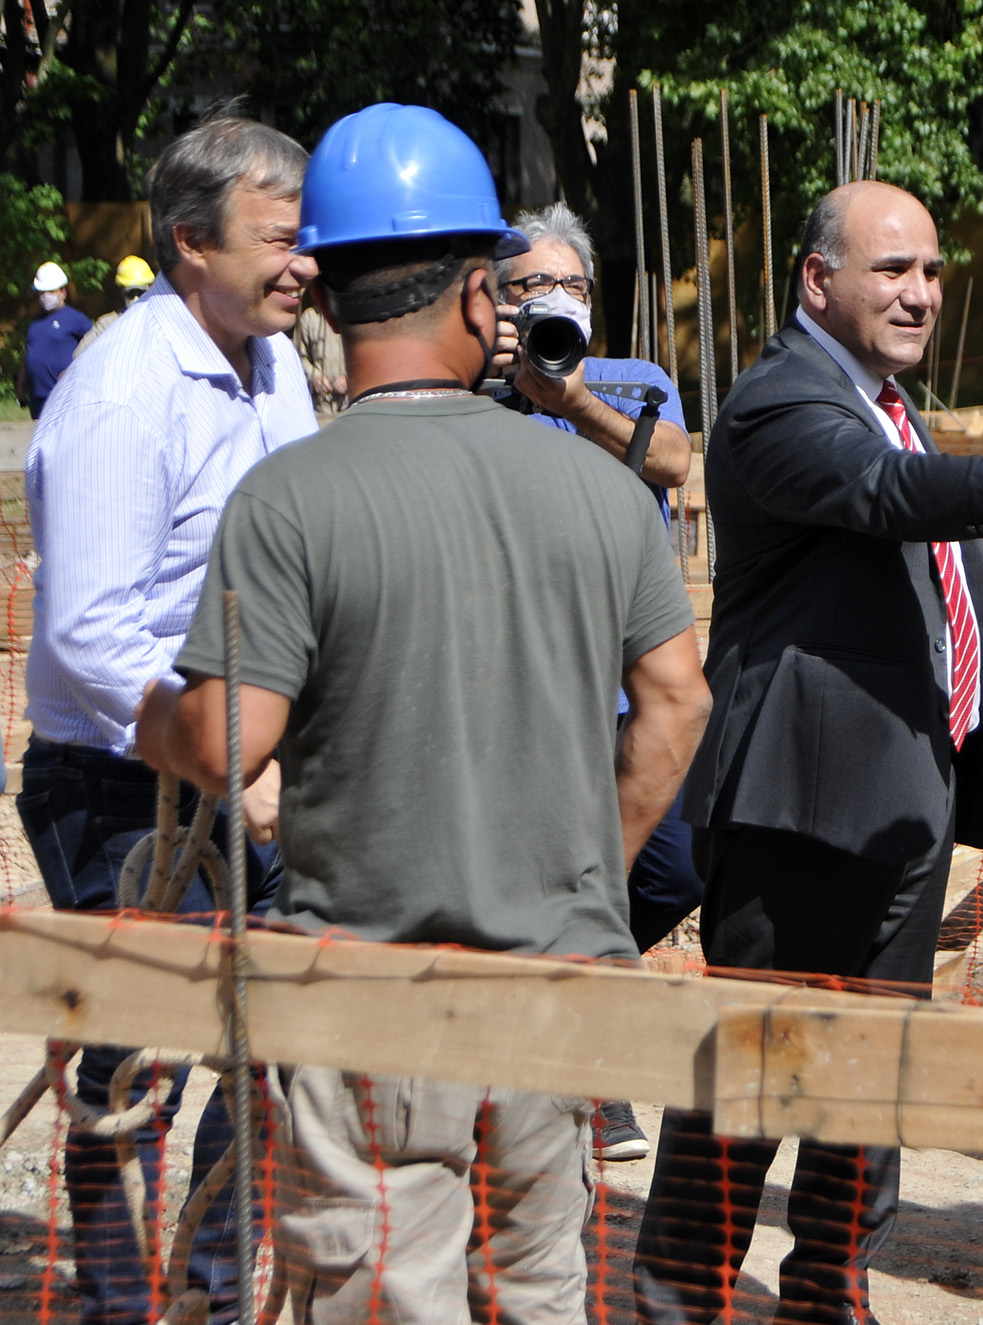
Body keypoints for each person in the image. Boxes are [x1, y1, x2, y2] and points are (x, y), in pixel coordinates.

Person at [134, 101, 711, 1325]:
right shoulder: (599, 492)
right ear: (476, 296)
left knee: (380, 1297)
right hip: (559, 988)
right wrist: (587, 871)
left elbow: (230, 739)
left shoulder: (287, 501)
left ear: (329, 302)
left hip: (368, 1003)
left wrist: (155, 724)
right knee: (542, 1290)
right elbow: (675, 701)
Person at [634, 178, 983, 1325]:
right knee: (761, 1062)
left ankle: (827, 1283)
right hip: (797, 804)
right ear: (818, 281)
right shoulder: (781, 402)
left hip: (903, 797)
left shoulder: (880, 398)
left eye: (929, 271)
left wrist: (970, 730)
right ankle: (679, 1290)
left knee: (872, 1075)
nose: (920, 292)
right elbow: (891, 497)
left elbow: (936, 570)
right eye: (892, 270)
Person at [18, 117, 316, 1325]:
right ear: (192, 242)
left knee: (273, 1038)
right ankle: (112, 1300)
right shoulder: (120, 394)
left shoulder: (276, 363)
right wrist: (218, 753)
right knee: (133, 1059)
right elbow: (89, 638)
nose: (303, 262)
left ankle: (207, 1295)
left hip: (241, 759)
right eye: (279, 239)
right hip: (117, 779)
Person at [493, 198, 700, 1164]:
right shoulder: (477, 392)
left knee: (669, 864)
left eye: (568, 284)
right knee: (561, 877)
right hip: (528, 695)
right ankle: (593, 1074)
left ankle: (557, 995)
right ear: (495, 300)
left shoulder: (633, 380)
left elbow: (673, 463)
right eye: (531, 285)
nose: (552, 300)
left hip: (636, 691)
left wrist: (570, 396)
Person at [19, 261, 92, 416]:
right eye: (41, 292)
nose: (46, 296)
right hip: (37, 398)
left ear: (63, 292)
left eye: (50, 291)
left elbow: (94, 346)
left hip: (63, 396)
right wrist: (20, 384)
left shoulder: (76, 319)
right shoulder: (35, 322)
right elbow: (27, 354)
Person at [73, 255, 155, 358]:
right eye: (130, 293)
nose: (136, 298)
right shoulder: (107, 325)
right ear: (121, 292)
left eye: (140, 292)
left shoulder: (159, 320)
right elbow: (79, 355)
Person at [290, 302, 346, 411]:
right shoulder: (309, 317)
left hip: (349, 405)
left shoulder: (354, 316)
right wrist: (314, 376)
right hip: (319, 406)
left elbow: (368, 356)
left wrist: (349, 379)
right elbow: (297, 357)